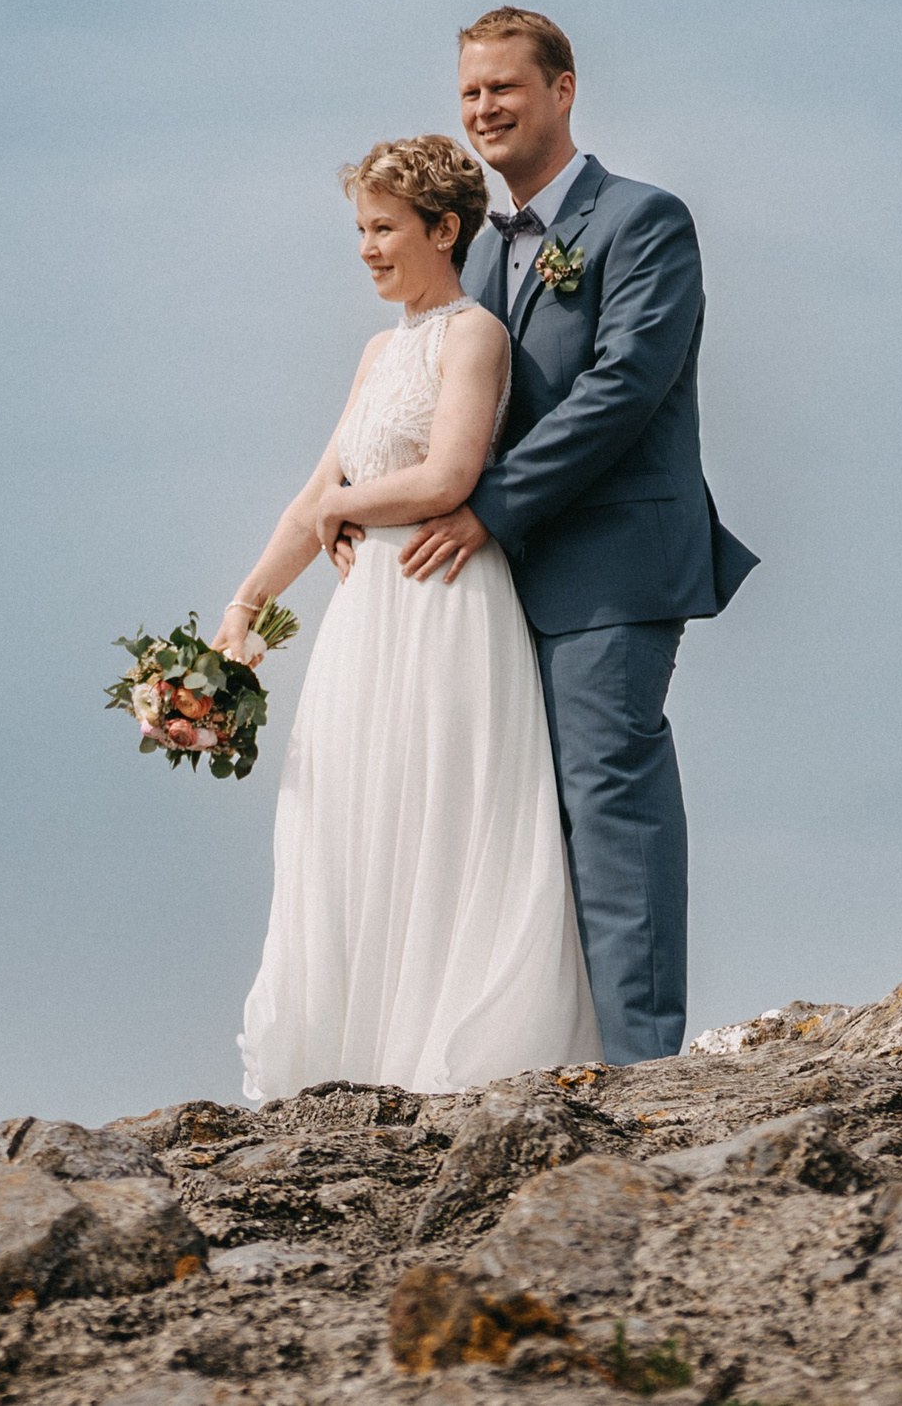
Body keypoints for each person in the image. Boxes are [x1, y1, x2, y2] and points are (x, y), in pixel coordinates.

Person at [395, 7, 758, 1066]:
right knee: (517, 809)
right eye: (469, 93)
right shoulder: (474, 257)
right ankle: (549, 1048)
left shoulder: (642, 220)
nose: (484, 109)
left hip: (611, 562)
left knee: (608, 792)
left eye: (504, 87)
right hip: (500, 576)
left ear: (562, 90)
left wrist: (487, 508)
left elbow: (620, 391)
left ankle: (642, 1064)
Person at [212, 136, 603, 1099]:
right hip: (366, 621)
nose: (367, 249)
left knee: (435, 814)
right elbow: (318, 491)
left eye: (384, 228)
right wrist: (243, 609)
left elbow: (449, 476)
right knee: (348, 818)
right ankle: (346, 1063)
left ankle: (438, 1061)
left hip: (442, 605)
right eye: (361, 229)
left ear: (444, 229)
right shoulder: (378, 351)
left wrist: (350, 509)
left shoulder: (476, 334)